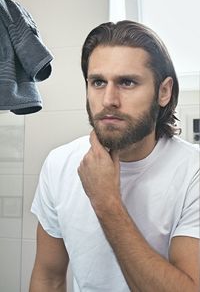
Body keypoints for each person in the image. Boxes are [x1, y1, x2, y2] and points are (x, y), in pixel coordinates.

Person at [29, 20, 200, 292]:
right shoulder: (59, 164)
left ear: (163, 92)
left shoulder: (193, 171)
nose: (109, 99)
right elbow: (48, 278)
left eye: (127, 82)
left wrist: (106, 202)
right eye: (98, 82)